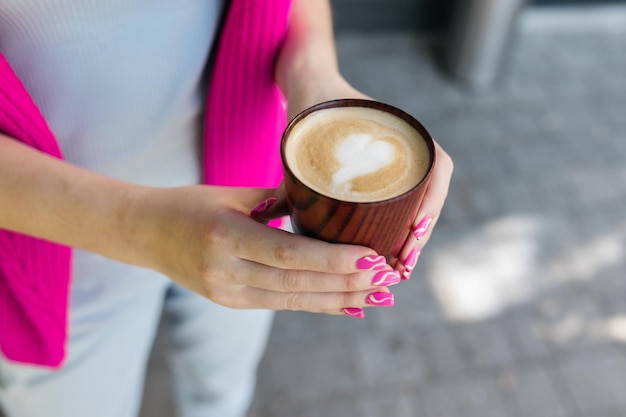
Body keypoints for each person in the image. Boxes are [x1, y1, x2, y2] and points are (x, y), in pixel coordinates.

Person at [0, 0, 454, 416]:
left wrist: (314, 75)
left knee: (221, 393)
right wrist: (142, 228)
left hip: (244, 201)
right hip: (55, 238)